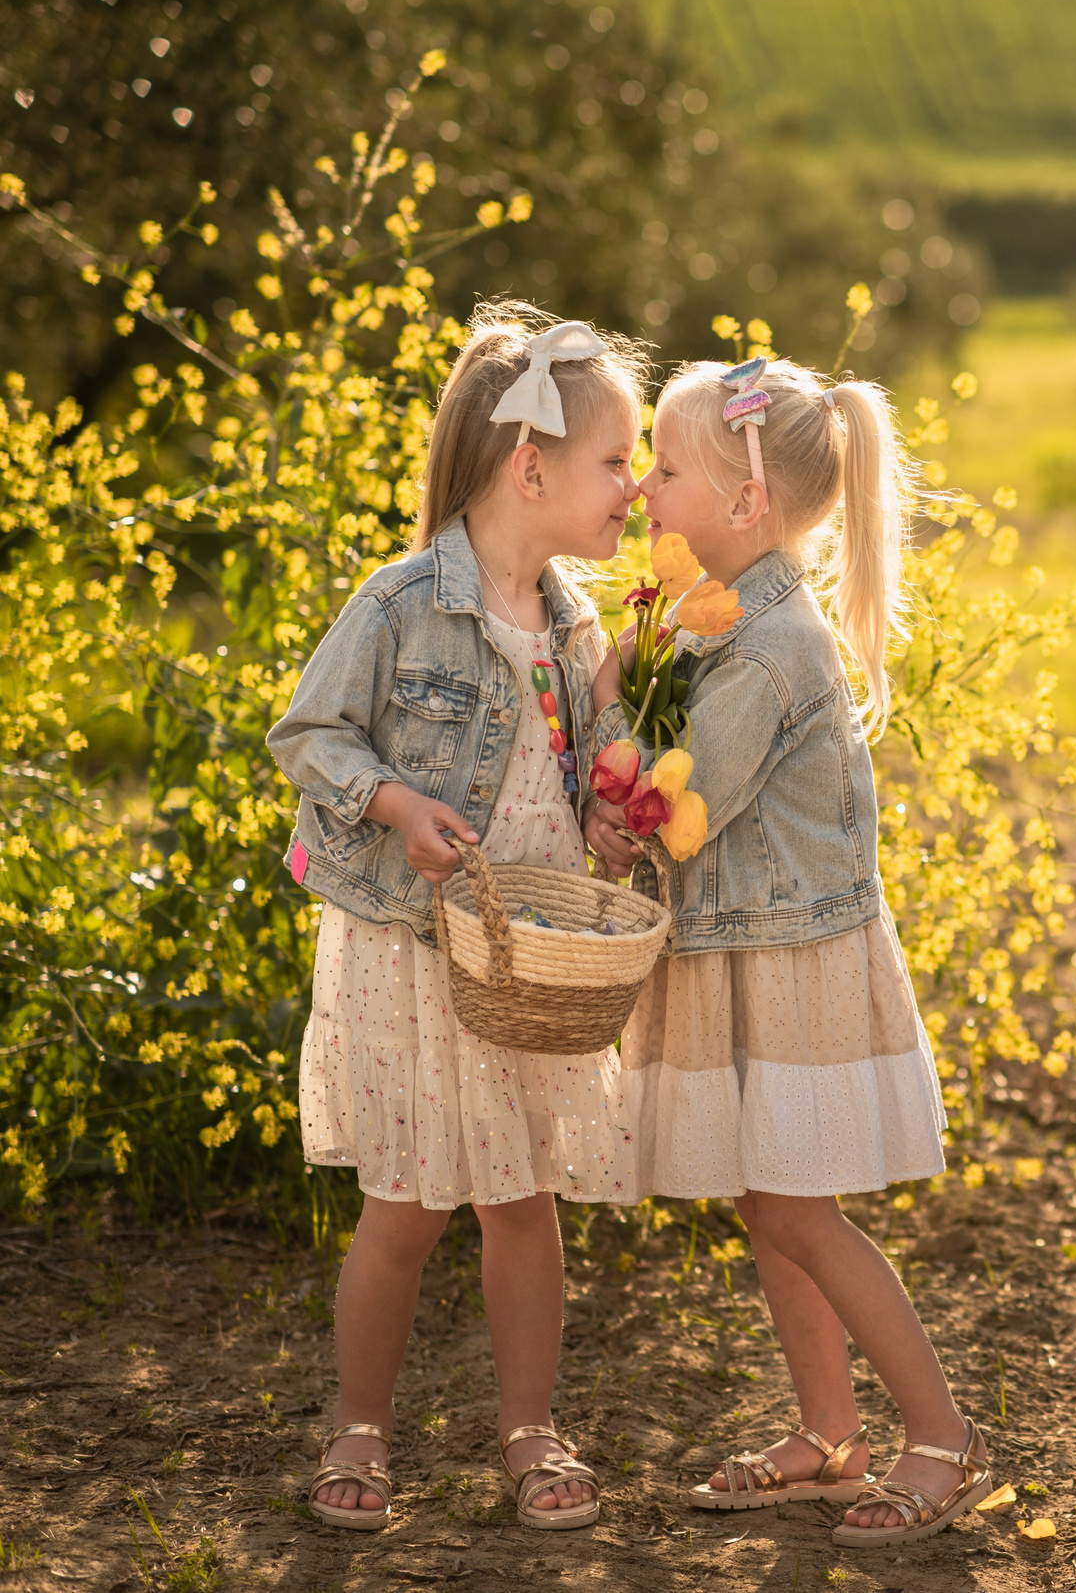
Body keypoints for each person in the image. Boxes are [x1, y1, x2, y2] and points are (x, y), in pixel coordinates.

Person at [585, 354, 992, 1547]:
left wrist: (606, 696)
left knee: (801, 1211)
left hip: (790, 958)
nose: (646, 490)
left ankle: (942, 1434)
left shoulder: (765, 649)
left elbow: (687, 800)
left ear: (746, 503)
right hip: (750, 946)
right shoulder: (724, 615)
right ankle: (830, 1436)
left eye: (665, 469)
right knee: (773, 1205)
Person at [268, 305, 647, 1531]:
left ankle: (532, 1427)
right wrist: (389, 798)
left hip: (521, 956)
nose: (633, 486)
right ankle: (361, 1424)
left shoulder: (579, 619)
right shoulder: (398, 603)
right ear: (530, 469)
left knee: (523, 1198)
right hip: (410, 951)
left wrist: (610, 826)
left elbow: (575, 772)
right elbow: (308, 733)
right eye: (614, 461)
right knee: (407, 1205)